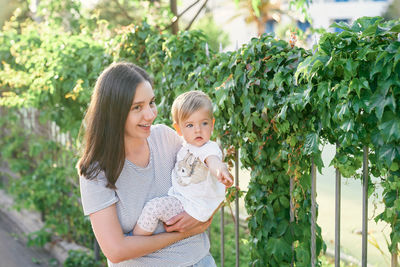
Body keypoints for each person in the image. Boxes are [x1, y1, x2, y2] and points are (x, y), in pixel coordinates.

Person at [78, 62, 223, 266]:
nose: (150, 114)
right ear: (114, 113)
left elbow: (212, 182)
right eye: (137, 107)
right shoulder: (95, 172)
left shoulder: (166, 138)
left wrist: (202, 216)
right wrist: (185, 231)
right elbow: (116, 250)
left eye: (151, 103)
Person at [133, 91, 233, 236]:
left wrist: (220, 170)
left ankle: (136, 240)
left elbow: (213, 160)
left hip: (192, 205)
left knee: (153, 208)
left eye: (204, 123)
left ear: (212, 124)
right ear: (178, 129)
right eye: (190, 125)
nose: (198, 130)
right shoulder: (185, 146)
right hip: (184, 200)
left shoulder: (208, 147)